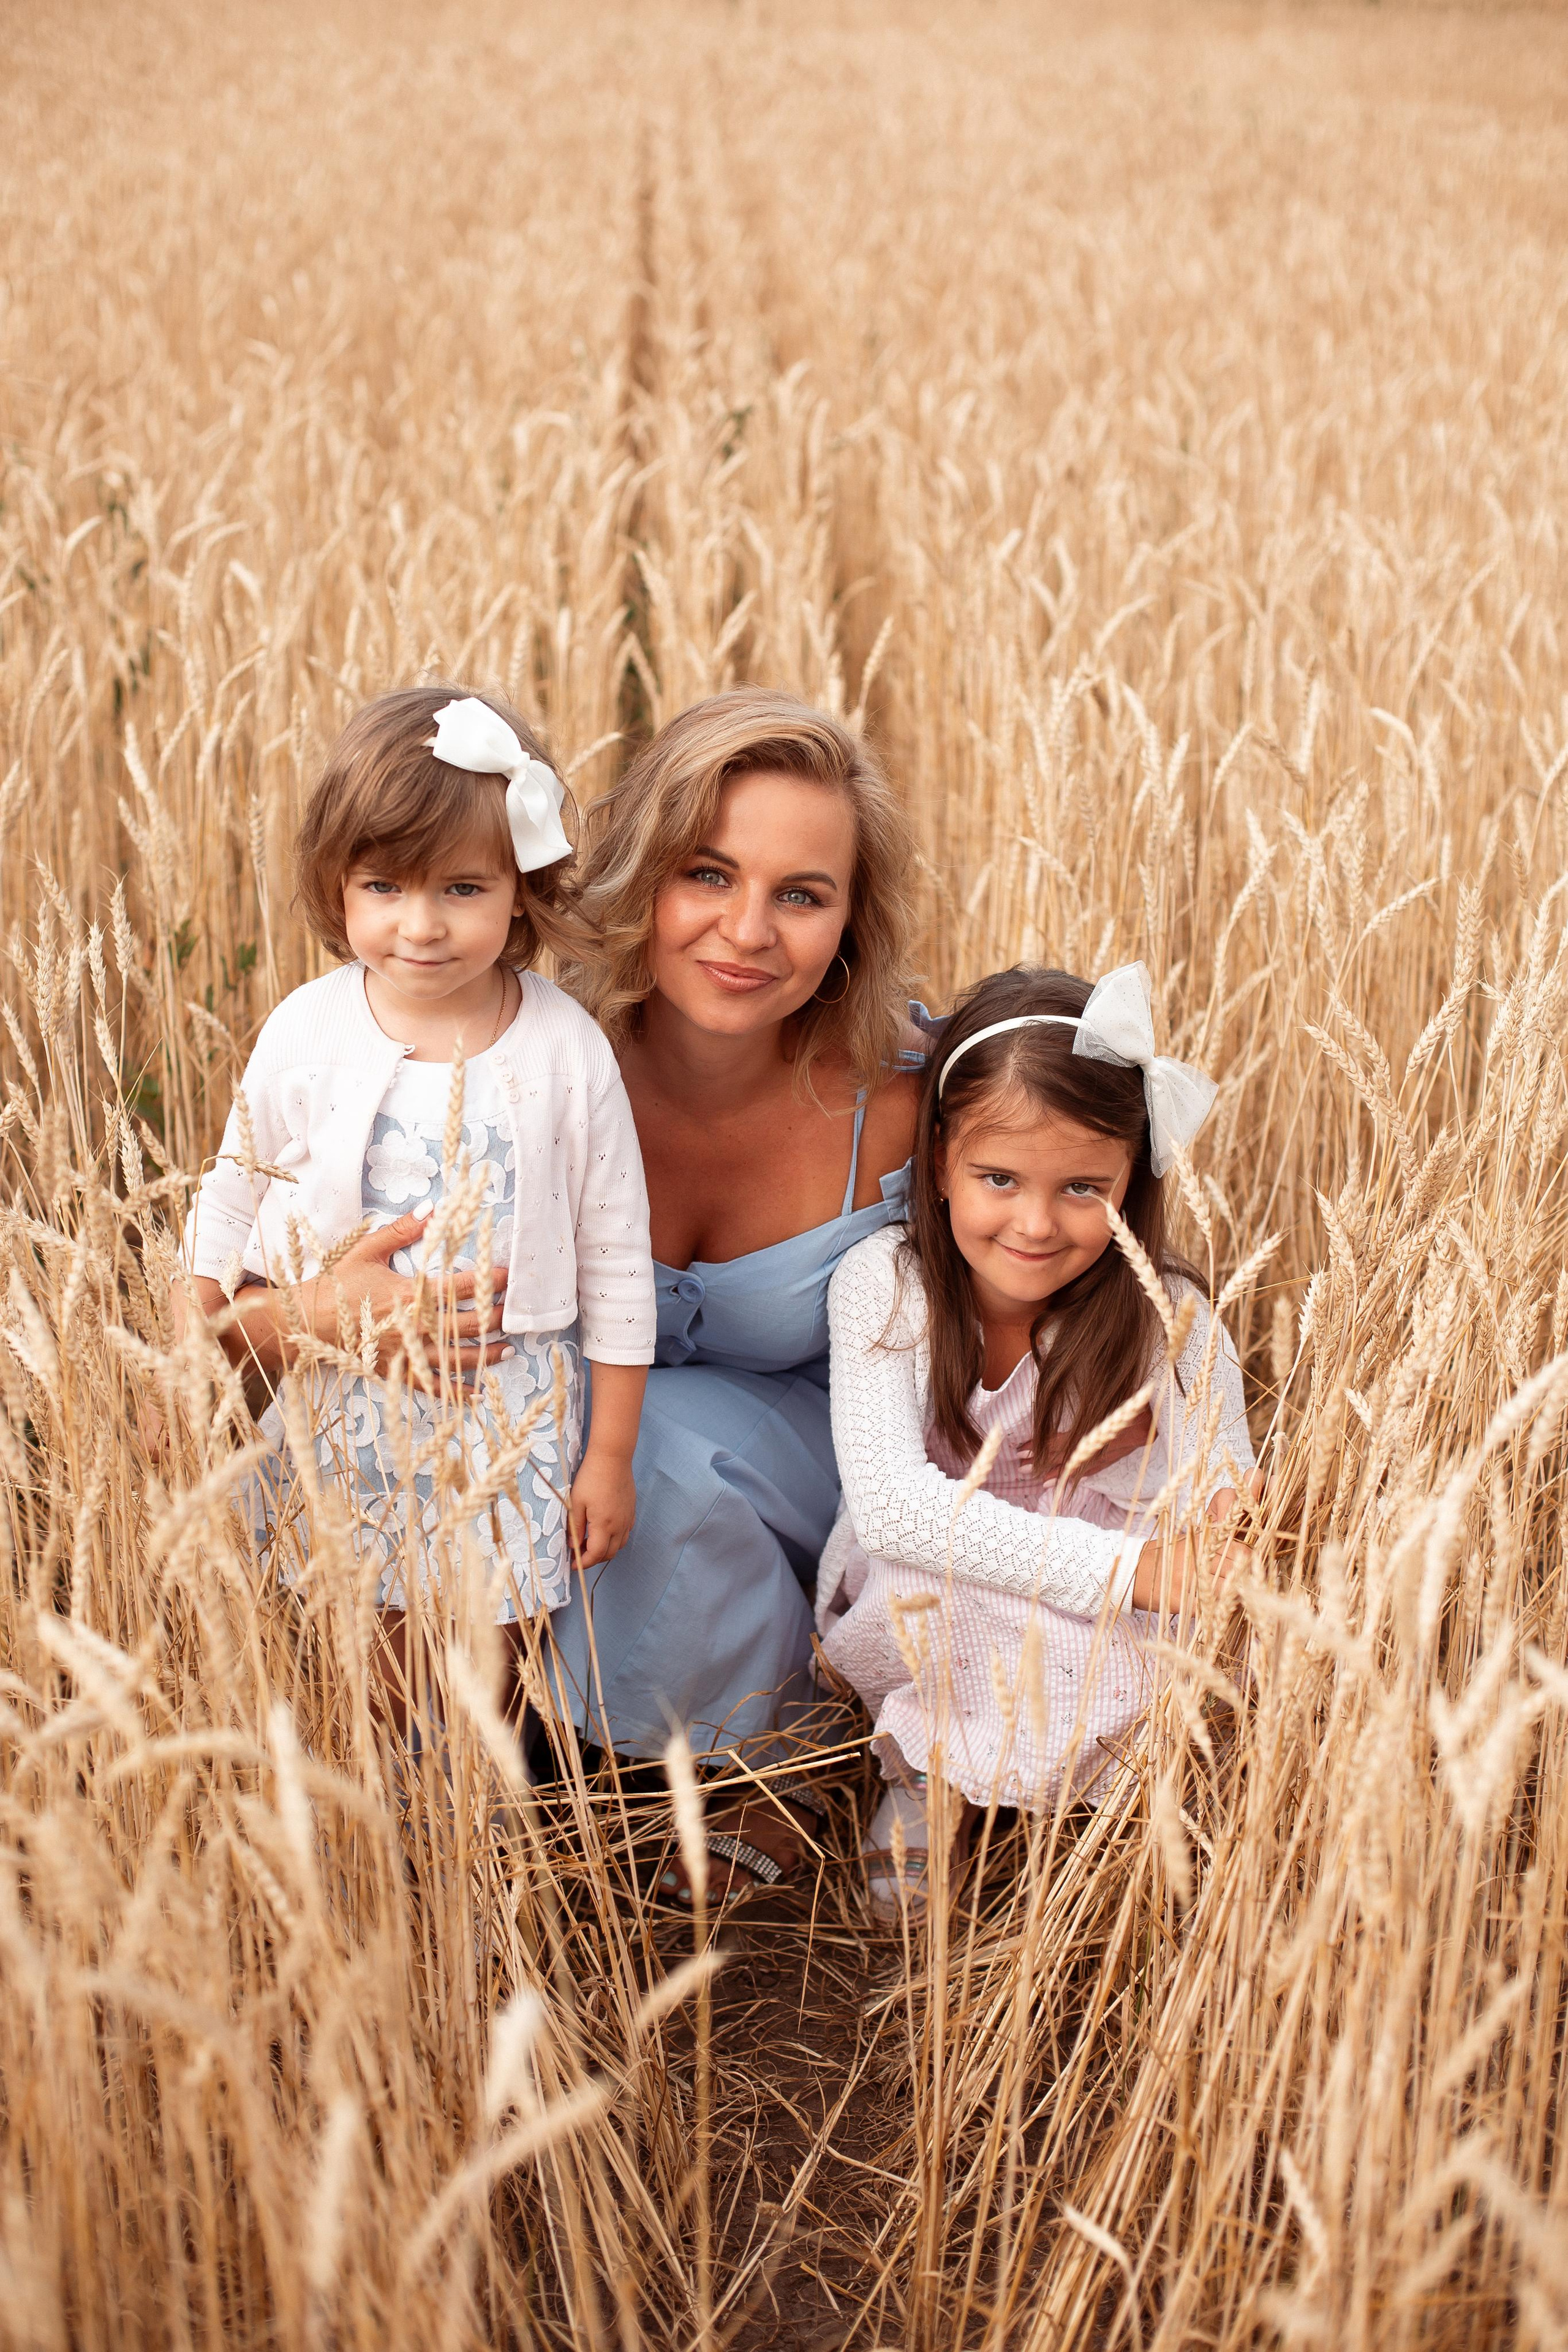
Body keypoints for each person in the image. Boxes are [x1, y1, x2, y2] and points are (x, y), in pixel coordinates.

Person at [177, 685, 654, 1706]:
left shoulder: (565, 1048)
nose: (421, 926)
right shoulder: (309, 1027)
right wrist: (190, 1349)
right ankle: (373, 1793)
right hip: (341, 1391)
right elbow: (231, 1191)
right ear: (338, 886)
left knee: (491, 1662)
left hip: (506, 1404)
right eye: (384, 887)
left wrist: (609, 1456)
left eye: (463, 889)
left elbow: (618, 1259)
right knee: (359, 1655)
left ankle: (470, 1794)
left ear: (521, 889)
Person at [549, 688, 921, 1901]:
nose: (747, 931)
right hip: (570, 1447)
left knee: (652, 1434)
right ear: (642, 874)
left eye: (800, 895)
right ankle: (514, 1730)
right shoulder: (534, 1060)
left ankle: (780, 1754)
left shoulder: (905, 1100)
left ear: (850, 923)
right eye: (707, 874)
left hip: (825, 1468)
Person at [816, 962, 1257, 1919]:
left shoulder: (1168, 1313)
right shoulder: (888, 1284)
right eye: (999, 1178)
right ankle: (928, 1775)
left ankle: (1097, 1809)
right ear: (941, 1159)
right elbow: (894, 1512)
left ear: (1131, 1180)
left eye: (1082, 1188)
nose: (1036, 1223)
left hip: (1107, 1561)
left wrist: (1216, 1512)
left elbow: (1224, 1475)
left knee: (1157, 1651)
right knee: (932, 1605)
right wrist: (1135, 1572)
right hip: (939, 1559)